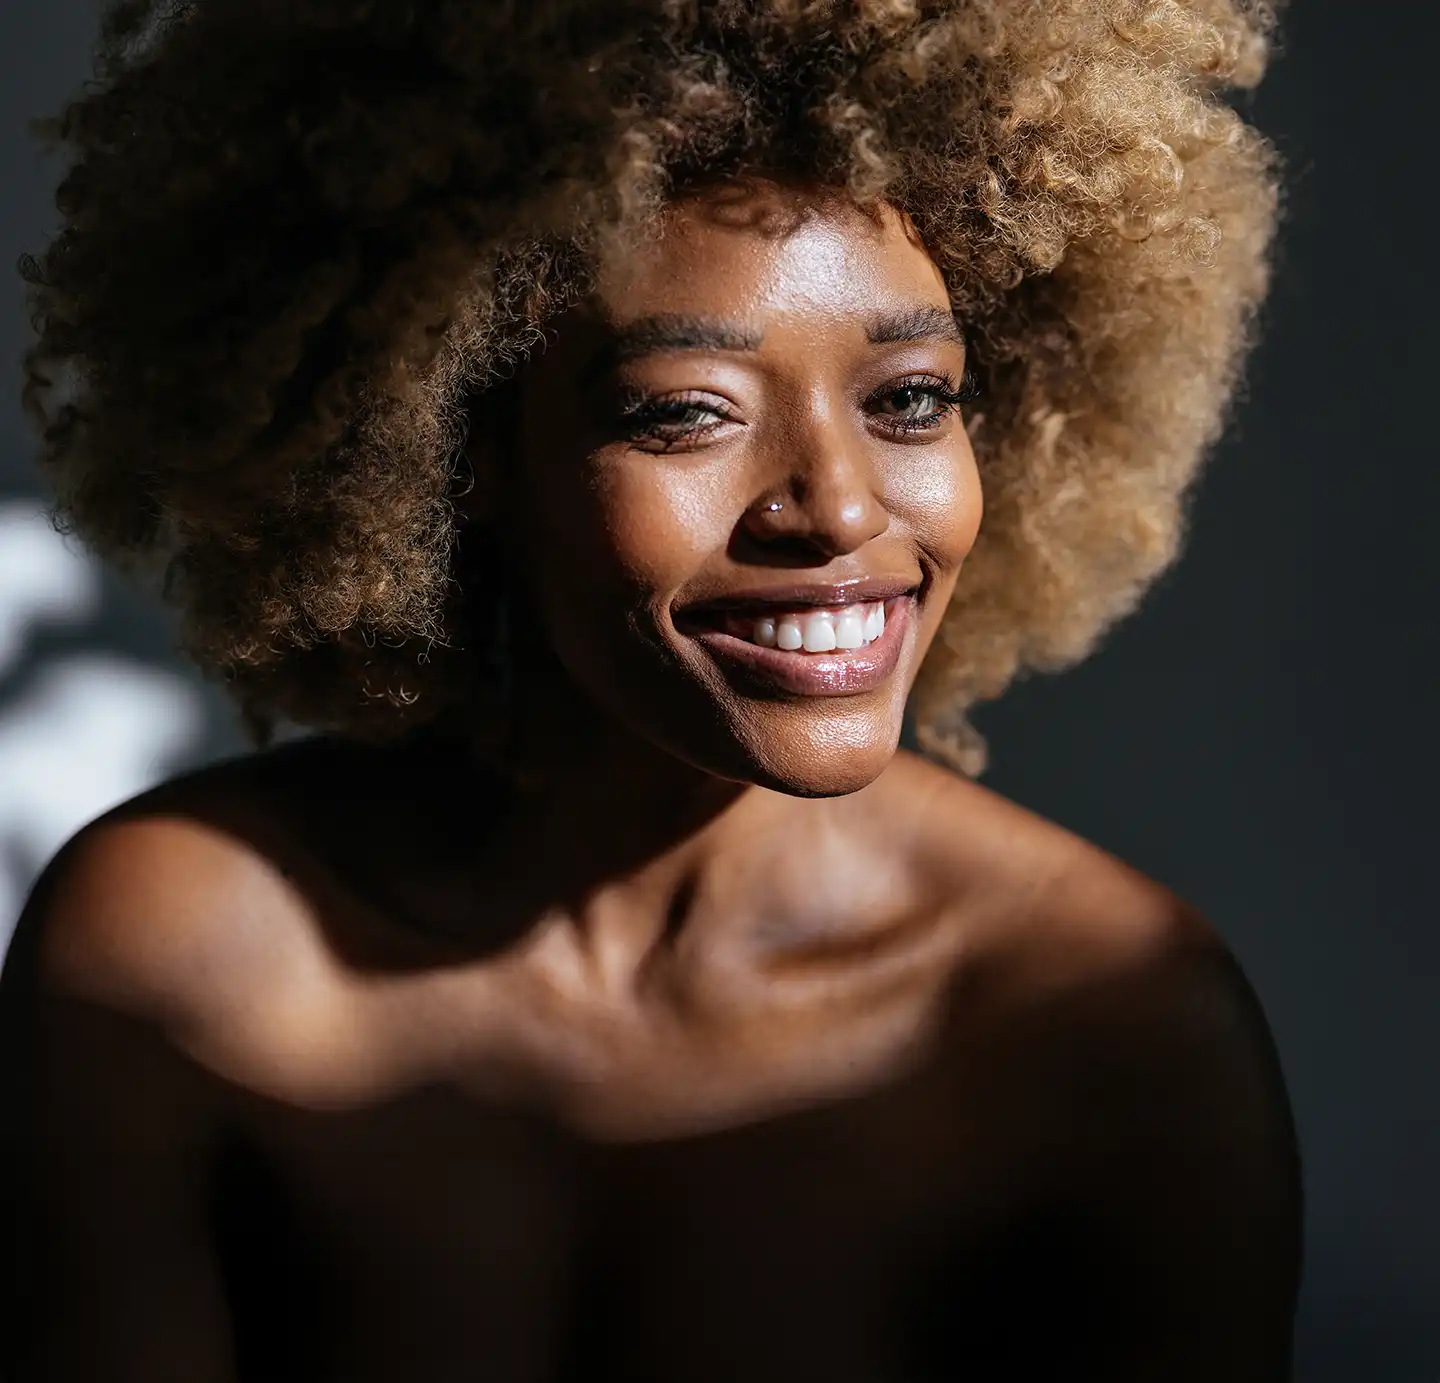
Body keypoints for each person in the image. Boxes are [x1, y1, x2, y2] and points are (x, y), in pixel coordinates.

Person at [2, 0, 1301, 1378]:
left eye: (911, 399)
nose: (841, 506)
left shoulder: (1105, 1030)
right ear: (451, 438)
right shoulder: (172, 962)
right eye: (689, 410)